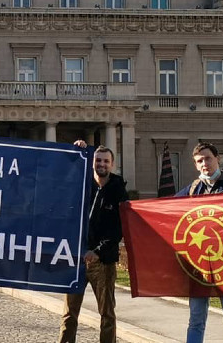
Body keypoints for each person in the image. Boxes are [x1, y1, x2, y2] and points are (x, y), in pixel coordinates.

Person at [175, 142, 223, 343]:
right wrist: (130, 209)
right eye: (199, 161)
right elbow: (165, 210)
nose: (204, 164)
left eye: (208, 158)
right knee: (196, 320)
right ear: (195, 165)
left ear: (217, 159)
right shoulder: (191, 190)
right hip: (199, 266)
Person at [59, 143, 128, 343]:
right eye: (98, 160)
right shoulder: (82, 184)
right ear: (91, 162)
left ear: (112, 164)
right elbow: (62, 177)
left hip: (103, 262)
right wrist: (77, 151)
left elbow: (118, 229)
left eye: (106, 161)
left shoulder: (118, 191)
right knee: (69, 313)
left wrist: (97, 251)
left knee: (107, 314)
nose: (102, 164)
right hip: (77, 259)